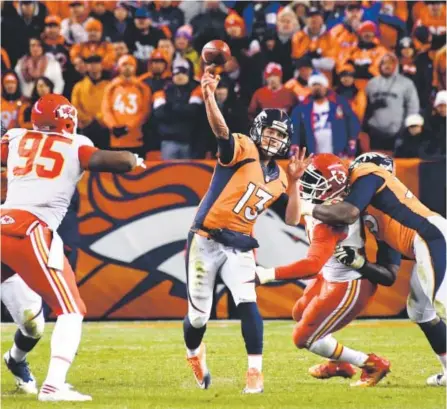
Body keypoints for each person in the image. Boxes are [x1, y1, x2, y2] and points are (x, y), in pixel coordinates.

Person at [1, 94, 146, 401]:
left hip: (4, 221)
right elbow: (113, 161)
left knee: (32, 324)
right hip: (30, 230)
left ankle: (14, 360)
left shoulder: (15, 136)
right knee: (71, 309)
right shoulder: (75, 143)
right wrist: (134, 159)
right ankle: (53, 387)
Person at [183, 62, 302, 393]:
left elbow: (292, 220)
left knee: (248, 300)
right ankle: (193, 354)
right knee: (198, 317)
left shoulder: (280, 177)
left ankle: (255, 372)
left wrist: (293, 185)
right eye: (271, 132)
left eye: (281, 135)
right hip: (205, 240)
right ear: (258, 129)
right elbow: (221, 132)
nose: (274, 138)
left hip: (239, 244)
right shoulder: (242, 148)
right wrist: (209, 97)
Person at [300, 152, 447, 387]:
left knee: (443, 304)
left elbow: (348, 213)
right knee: (421, 312)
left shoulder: (367, 172)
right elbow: (389, 275)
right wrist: (360, 264)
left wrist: (306, 207)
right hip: (426, 243)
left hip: (432, 237)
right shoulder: (380, 218)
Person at [256, 153, 397, 387]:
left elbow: (312, 265)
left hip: (349, 283)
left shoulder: (333, 216)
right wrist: (293, 182)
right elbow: (292, 219)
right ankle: (338, 363)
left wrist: (265, 274)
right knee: (299, 313)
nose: (307, 184)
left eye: (313, 179)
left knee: (303, 337)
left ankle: (371, 363)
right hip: (330, 276)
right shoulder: (324, 203)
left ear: (329, 187)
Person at [290, 72, 359, 156]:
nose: (317, 87)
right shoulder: (302, 107)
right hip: (313, 153)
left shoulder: (339, 102)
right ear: (310, 87)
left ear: (326, 86)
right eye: (314, 85)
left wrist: (352, 139)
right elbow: (295, 128)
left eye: (320, 84)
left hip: (339, 152)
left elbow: (352, 120)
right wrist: (294, 144)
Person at [364, 53, 419, 151]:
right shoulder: (371, 83)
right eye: (384, 63)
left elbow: (413, 106)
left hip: (398, 132)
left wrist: (407, 126)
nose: (387, 66)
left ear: (396, 65)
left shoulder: (407, 83)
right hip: (374, 131)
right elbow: (365, 106)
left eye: (390, 63)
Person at [152, 59, 202, 160]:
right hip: (168, 140)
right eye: (176, 73)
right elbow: (159, 113)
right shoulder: (161, 90)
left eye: (183, 72)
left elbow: (193, 111)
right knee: (168, 173)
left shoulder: (197, 89)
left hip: (189, 141)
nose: (179, 76)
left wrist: (171, 107)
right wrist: (182, 109)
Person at [102, 55, 151, 155]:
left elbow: (145, 111)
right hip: (116, 140)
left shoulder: (143, 88)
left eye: (130, 65)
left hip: (136, 139)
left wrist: (128, 127)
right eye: (124, 65)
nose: (127, 67)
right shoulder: (111, 87)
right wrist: (113, 126)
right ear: (119, 67)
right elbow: (106, 110)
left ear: (135, 67)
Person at [71, 55, 110, 149]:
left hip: (105, 127)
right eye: (90, 64)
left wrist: (99, 119)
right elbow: (75, 107)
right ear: (86, 66)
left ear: (101, 65)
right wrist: (88, 119)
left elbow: (112, 105)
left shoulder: (109, 86)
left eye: (96, 63)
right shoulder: (78, 86)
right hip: (86, 127)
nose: (93, 66)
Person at [339, 21, 388, 90]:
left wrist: (357, 69)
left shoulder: (381, 50)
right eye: (364, 31)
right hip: (352, 86)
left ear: (374, 34)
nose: (367, 34)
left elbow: (378, 68)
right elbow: (343, 64)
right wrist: (349, 71)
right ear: (360, 34)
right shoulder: (352, 49)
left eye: (370, 31)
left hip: (374, 87)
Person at [292, 7, 335, 76]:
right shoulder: (298, 37)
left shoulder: (330, 37)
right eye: (310, 16)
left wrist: (310, 61)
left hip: (324, 79)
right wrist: (319, 59)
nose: (313, 19)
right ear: (306, 20)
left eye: (317, 16)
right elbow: (296, 61)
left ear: (322, 19)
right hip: (302, 79)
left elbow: (331, 63)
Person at [124, 7, 165, 73]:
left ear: (150, 20)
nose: (141, 21)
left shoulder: (158, 34)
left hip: (154, 71)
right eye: (138, 18)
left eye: (144, 18)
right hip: (134, 71)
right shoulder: (128, 34)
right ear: (134, 20)